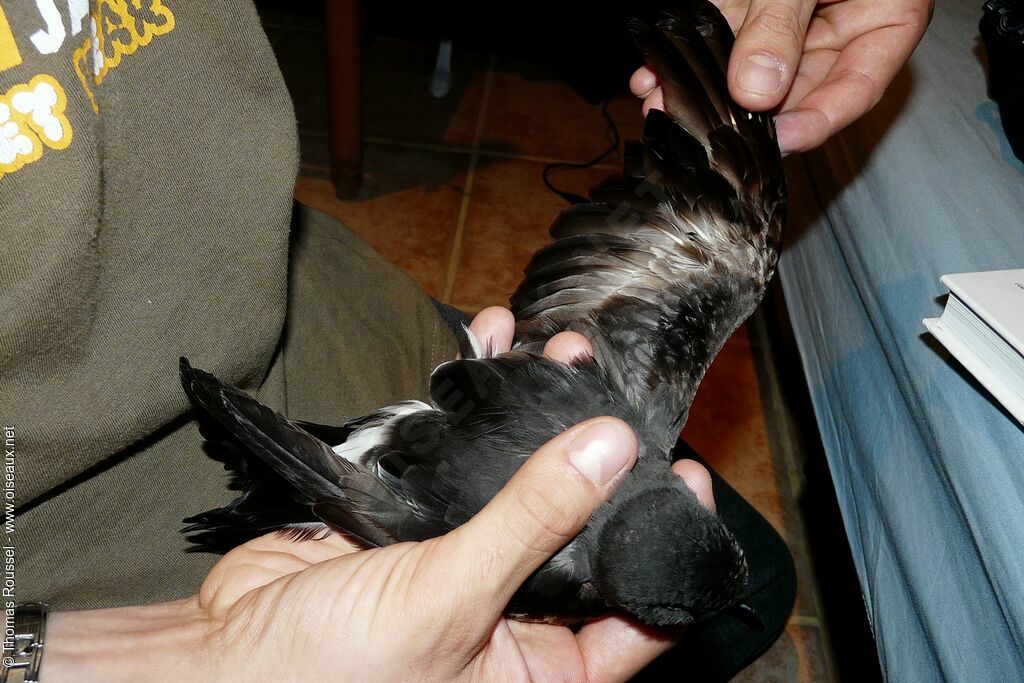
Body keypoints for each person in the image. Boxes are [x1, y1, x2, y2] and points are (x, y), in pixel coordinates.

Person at [0, 0, 930, 680]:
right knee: (748, 588)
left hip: (331, 335)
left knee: (746, 587)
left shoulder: (626, 431)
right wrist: (194, 657)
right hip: (127, 537)